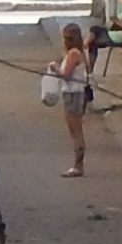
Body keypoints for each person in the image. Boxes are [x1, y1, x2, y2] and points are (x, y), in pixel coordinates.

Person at [48, 24, 90, 178]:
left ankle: (78, 166)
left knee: (76, 131)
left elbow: (65, 75)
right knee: (76, 130)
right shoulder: (81, 53)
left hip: (72, 94)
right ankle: (78, 164)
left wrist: (55, 69)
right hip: (78, 92)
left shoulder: (73, 54)